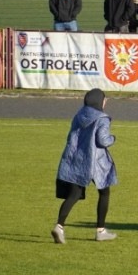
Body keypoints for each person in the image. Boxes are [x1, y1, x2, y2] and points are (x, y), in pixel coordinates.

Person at [51, 88, 118, 243]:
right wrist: (112, 139)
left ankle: (59, 226)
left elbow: (71, 136)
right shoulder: (102, 118)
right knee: (104, 192)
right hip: (96, 162)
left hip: (78, 159)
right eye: (104, 99)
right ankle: (100, 230)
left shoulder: (79, 114)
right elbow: (102, 140)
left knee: (73, 195)